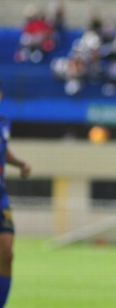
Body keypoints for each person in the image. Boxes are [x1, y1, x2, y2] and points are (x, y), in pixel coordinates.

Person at [0, 80, 31, 307]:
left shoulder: (3, 122)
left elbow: (3, 148)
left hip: (1, 196)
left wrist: (19, 162)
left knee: (7, 253)